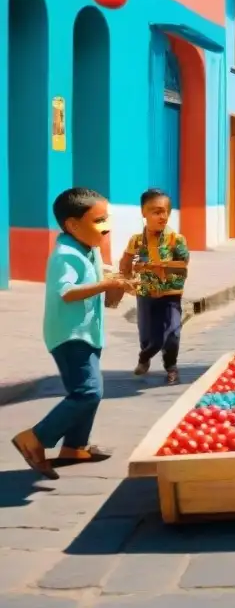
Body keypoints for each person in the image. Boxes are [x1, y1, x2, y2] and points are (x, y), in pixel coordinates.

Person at [12, 188, 135, 479]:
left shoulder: (87, 248)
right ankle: (34, 438)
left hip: (87, 332)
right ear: (73, 225)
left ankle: (74, 447)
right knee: (87, 392)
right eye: (99, 220)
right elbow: (66, 292)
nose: (106, 227)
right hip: (69, 336)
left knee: (87, 391)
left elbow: (97, 274)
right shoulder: (64, 255)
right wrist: (107, 285)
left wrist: (115, 279)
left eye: (107, 218)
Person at [121, 188, 189, 385]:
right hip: (145, 293)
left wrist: (157, 266)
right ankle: (145, 357)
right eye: (156, 211)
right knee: (148, 333)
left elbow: (183, 265)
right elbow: (125, 263)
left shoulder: (176, 240)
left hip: (170, 294)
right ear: (144, 212)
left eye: (165, 211)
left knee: (173, 333)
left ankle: (171, 367)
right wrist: (124, 280)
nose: (163, 216)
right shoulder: (136, 240)